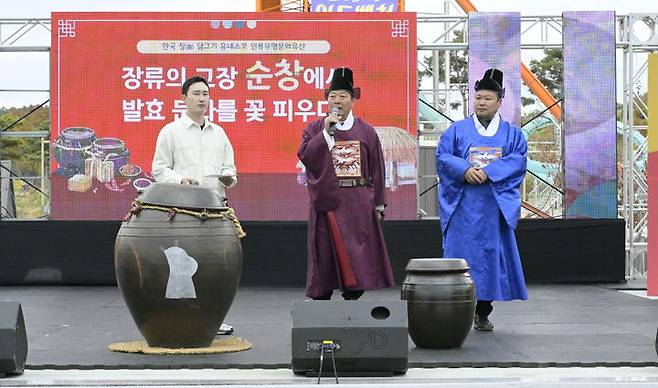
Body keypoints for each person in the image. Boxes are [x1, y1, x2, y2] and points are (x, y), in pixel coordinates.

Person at [436, 68, 528, 331]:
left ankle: (483, 311)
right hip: (464, 206)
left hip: (493, 207)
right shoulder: (457, 130)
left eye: (488, 98)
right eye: (478, 98)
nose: (481, 103)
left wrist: (489, 172)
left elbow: (518, 160)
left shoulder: (512, 134)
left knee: (489, 259)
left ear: (499, 102)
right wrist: (464, 170)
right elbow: (443, 156)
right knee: (460, 256)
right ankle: (456, 311)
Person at [297, 67, 395, 300]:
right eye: (332, 96)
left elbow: (377, 168)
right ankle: (323, 298)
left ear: (353, 99)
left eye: (343, 96)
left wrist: (379, 203)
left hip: (358, 200)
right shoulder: (315, 128)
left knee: (356, 253)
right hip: (329, 199)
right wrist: (325, 135)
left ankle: (353, 297)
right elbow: (306, 155)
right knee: (326, 250)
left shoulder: (366, 131)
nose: (337, 101)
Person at [152, 75, 237, 335]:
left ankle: (212, 318)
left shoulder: (219, 132)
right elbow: (159, 169)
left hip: (214, 210)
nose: (202, 99)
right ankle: (181, 318)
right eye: (197, 94)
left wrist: (228, 177)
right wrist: (180, 180)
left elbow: (230, 169)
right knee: (183, 268)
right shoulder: (171, 131)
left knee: (215, 267)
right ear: (183, 98)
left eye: (206, 94)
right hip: (183, 211)